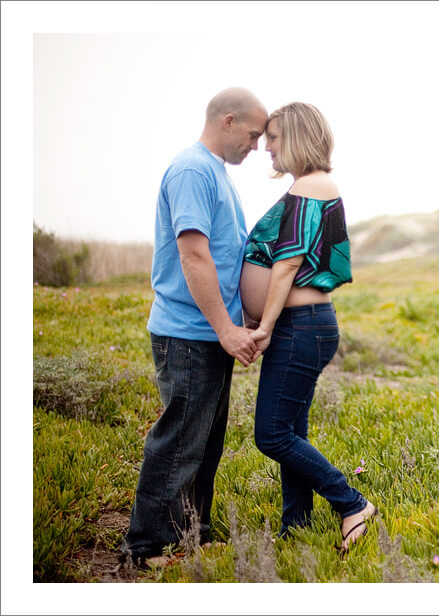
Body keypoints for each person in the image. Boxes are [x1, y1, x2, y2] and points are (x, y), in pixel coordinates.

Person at [120, 87, 269, 566]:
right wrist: (227, 328)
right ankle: (146, 549)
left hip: (210, 333)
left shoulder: (217, 175)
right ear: (228, 121)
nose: (257, 145)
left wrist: (241, 321)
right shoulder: (192, 170)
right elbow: (194, 253)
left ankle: (190, 536)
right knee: (180, 440)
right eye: (252, 134)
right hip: (189, 333)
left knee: (204, 443)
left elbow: (226, 256)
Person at [239, 102, 377, 552]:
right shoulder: (308, 186)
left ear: (297, 137)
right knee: (290, 431)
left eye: (275, 138)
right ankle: (295, 526)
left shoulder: (312, 186)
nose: (268, 148)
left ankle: (351, 502)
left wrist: (265, 326)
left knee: (272, 434)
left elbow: (287, 263)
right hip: (300, 325)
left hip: (300, 325)